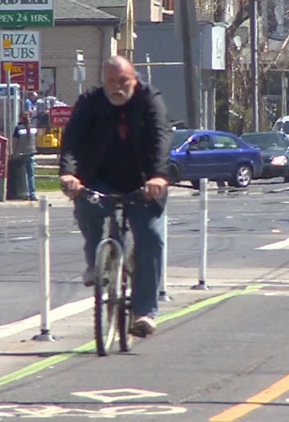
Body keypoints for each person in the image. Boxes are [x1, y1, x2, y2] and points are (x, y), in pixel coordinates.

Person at [59, 55, 172, 338]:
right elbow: (72, 139)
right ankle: (96, 262)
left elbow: (161, 136)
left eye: (124, 81)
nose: (117, 87)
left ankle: (145, 311)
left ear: (134, 80)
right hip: (100, 177)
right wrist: (69, 174)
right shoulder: (90, 102)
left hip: (143, 181)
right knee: (87, 207)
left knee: (151, 237)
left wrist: (159, 175)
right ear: (103, 81)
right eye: (111, 81)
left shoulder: (149, 100)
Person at [12, 112, 37, 201]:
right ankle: (32, 194)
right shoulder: (33, 128)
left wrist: (14, 152)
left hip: (21, 154)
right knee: (31, 175)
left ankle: (25, 193)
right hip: (31, 153)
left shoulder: (18, 128)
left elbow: (15, 141)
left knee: (24, 175)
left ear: (21, 118)